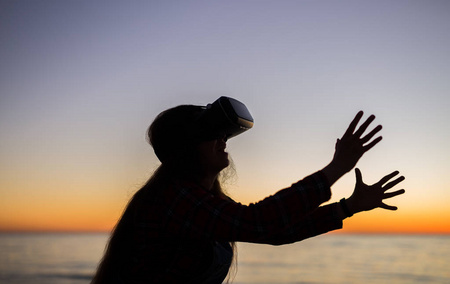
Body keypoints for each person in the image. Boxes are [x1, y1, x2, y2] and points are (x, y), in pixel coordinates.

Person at [91, 97, 405, 284]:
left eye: (225, 133)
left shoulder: (200, 201)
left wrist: (347, 207)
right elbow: (260, 222)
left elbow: (275, 231)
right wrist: (336, 168)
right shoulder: (172, 199)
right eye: (213, 133)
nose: (224, 139)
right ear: (185, 149)